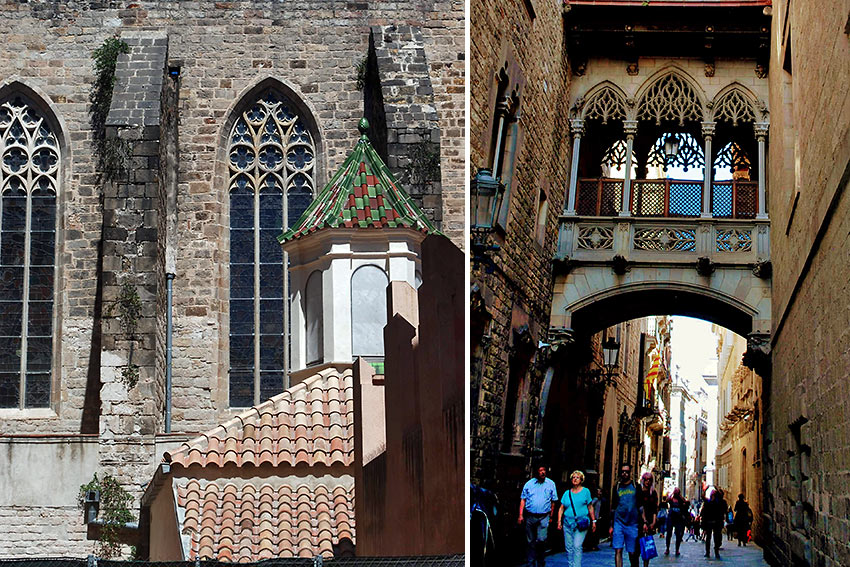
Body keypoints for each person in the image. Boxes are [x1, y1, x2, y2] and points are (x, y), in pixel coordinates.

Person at [519, 464, 559, 567]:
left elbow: (553, 501)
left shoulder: (550, 484)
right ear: (536, 472)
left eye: (544, 470)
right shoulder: (529, 484)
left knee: (541, 540)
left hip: (544, 516)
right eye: (540, 470)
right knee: (530, 540)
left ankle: (540, 561)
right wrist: (520, 515)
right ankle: (530, 562)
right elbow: (523, 499)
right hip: (530, 515)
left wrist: (551, 516)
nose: (542, 472)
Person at [557, 470, 596, 567]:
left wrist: (594, 521)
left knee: (577, 546)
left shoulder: (586, 491)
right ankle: (571, 565)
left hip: (581, 523)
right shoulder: (567, 493)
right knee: (569, 547)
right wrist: (559, 521)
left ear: (581, 480)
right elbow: (561, 508)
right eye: (573, 477)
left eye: (577, 477)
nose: (575, 479)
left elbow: (590, 507)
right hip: (567, 523)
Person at [609, 464, 643, 567]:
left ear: (630, 473)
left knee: (632, 552)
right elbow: (613, 507)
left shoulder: (636, 487)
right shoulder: (617, 487)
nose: (624, 474)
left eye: (627, 472)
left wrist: (644, 522)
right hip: (619, 522)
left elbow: (640, 506)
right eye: (623, 471)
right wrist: (611, 525)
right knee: (618, 550)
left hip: (633, 524)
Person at [636, 472, 659, 567]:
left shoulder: (653, 493)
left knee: (647, 545)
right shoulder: (639, 491)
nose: (647, 481)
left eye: (650, 480)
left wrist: (653, 522)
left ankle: (646, 565)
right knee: (636, 547)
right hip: (638, 521)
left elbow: (654, 508)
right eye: (646, 479)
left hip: (649, 522)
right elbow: (640, 507)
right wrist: (644, 521)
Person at [699, 488, 727, 559]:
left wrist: (706, 490)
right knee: (711, 538)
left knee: (713, 538)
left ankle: (712, 552)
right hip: (712, 523)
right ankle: (711, 552)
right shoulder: (714, 503)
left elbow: (703, 497)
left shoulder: (716, 503)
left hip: (714, 523)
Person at [664, 487, 687, 556]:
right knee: (669, 534)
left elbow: (685, 502)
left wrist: (680, 497)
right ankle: (667, 548)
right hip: (671, 517)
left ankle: (677, 549)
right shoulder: (671, 499)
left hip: (678, 518)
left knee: (678, 535)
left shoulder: (680, 500)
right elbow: (666, 500)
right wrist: (671, 494)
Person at [583, 487, 604, 552]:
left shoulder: (600, 500)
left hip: (597, 518)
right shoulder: (595, 499)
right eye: (599, 491)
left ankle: (594, 545)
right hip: (593, 519)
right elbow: (590, 506)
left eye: (600, 491)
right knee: (592, 532)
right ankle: (590, 545)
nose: (600, 493)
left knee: (596, 533)